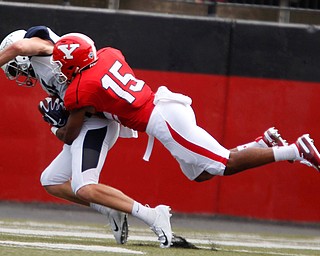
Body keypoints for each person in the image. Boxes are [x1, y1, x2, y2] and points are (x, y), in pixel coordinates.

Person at [50, 33, 320, 196]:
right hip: (166, 105)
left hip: (163, 120)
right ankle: (261, 144)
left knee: (225, 164)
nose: (60, 69)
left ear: (74, 62)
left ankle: (296, 150)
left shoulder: (79, 90)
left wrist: (55, 124)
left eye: (62, 63)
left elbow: (70, 136)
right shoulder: (110, 54)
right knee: (200, 174)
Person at [0, 27, 173, 248]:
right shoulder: (46, 74)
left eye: (16, 68)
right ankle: (109, 207)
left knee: (84, 186)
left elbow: (19, 47)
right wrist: (57, 124)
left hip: (97, 122)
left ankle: (152, 215)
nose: (22, 76)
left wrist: (60, 125)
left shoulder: (42, 47)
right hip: (84, 121)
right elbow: (68, 132)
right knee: (51, 180)